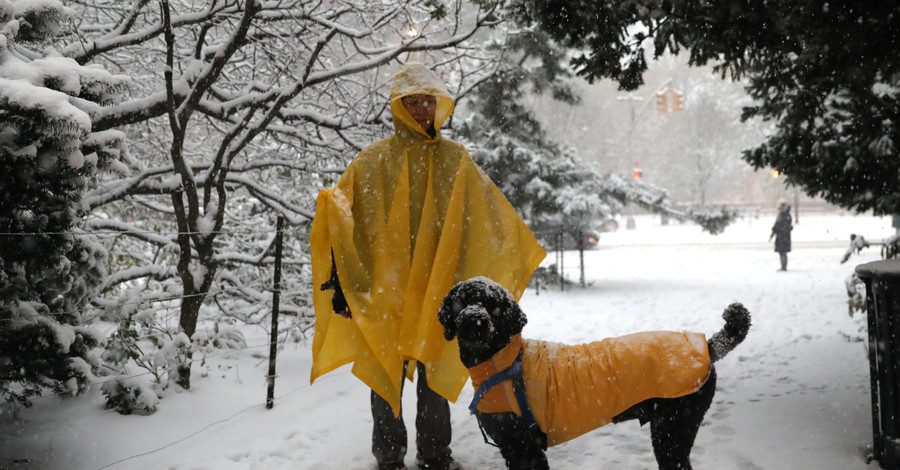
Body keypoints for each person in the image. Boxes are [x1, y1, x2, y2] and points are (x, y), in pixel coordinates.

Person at [309, 62, 545, 470]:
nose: (420, 110)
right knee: (386, 375)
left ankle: (436, 456)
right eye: (411, 102)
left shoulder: (455, 160)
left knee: (433, 373)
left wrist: (513, 249)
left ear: (439, 105)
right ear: (398, 106)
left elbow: (488, 216)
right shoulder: (373, 161)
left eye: (426, 101)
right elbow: (342, 219)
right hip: (388, 292)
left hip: (437, 290)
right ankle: (389, 458)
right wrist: (342, 284)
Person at [769, 201, 793, 271]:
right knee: (781, 252)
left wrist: (777, 230)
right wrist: (773, 233)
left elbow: (786, 226)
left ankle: (784, 266)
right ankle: (783, 266)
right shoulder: (781, 215)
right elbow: (776, 225)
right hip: (780, 237)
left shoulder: (786, 216)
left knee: (783, 252)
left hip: (783, 237)